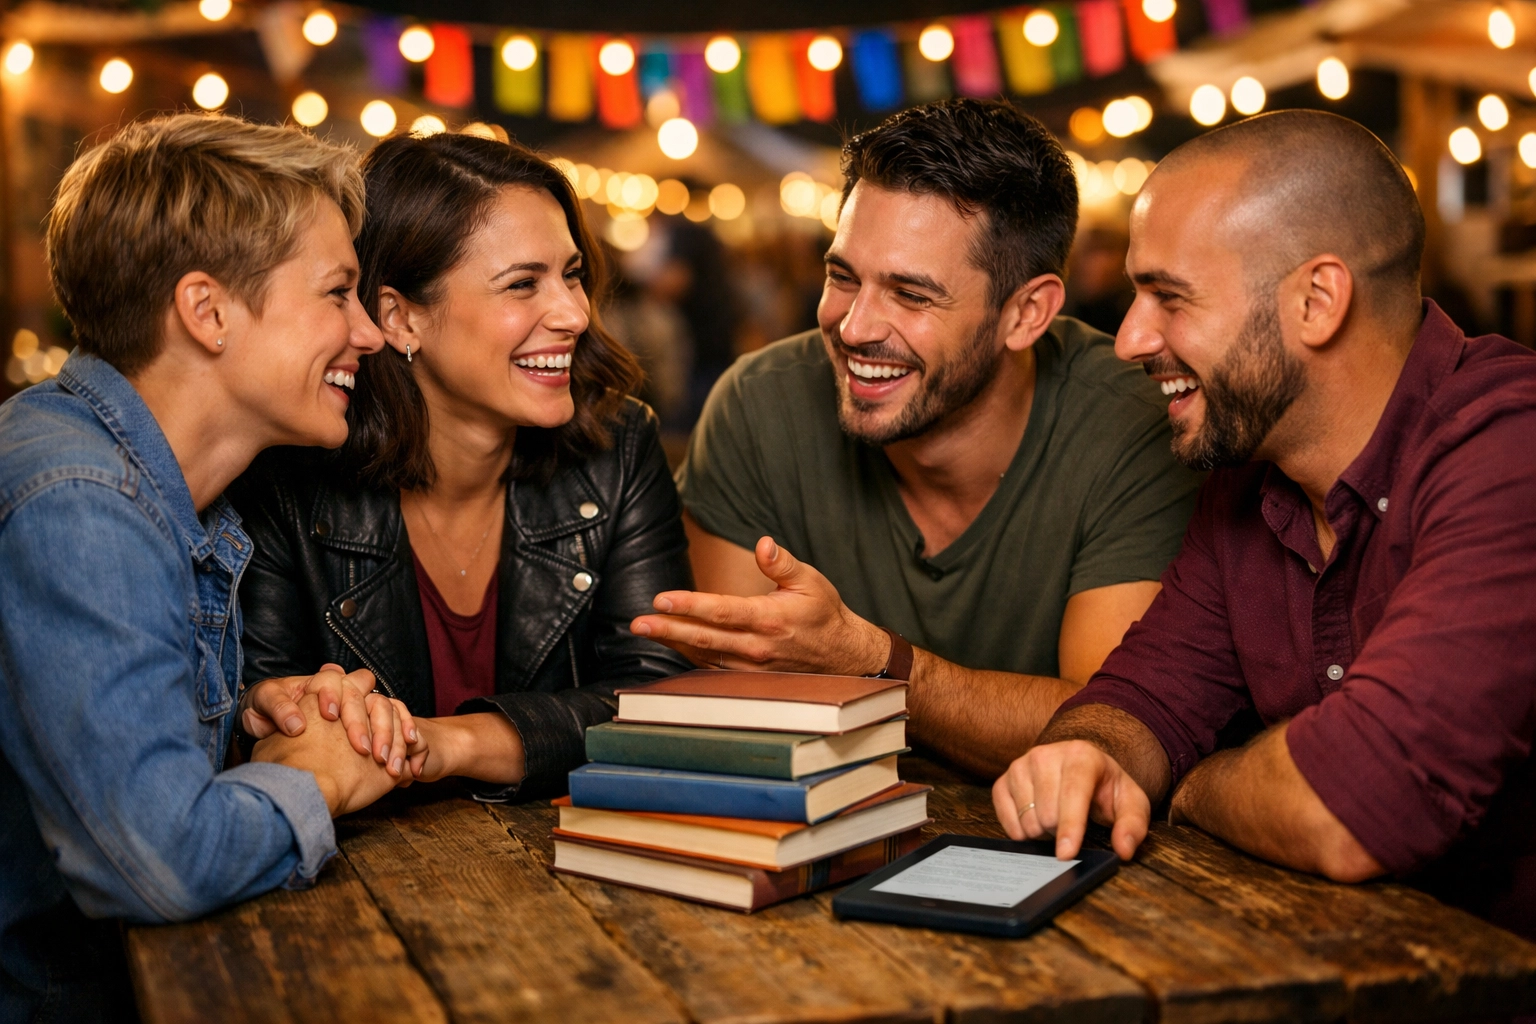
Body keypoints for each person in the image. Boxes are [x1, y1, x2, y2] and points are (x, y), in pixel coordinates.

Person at [993, 110, 1536, 940]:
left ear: (1316, 301)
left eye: (1169, 297)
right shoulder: (1249, 474)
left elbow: (1351, 809)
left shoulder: (1510, 447)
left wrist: (1192, 783)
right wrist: (1092, 756)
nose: (1130, 338)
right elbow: (1138, 703)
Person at [631, 99, 1203, 778]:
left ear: (1026, 313)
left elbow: (1111, 728)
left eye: (911, 294)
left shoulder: (1135, 420)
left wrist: (871, 661)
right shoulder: (761, 402)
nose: (854, 327)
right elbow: (740, 705)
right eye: (842, 277)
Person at [0, 113, 421, 1023]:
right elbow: (155, 860)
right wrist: (320, 780)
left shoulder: (148, 486)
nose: (370, 333)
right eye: (338, 293)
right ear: (208, 311)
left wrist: (242, 726)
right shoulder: (80, 503)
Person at [233, 132, 693, 798]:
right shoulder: (290, 478)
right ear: (398, 318)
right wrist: (281, 708)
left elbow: (663, 703)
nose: (574, 312)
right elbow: (264, 723)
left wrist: (446, 743)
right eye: (522, 285)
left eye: (570, 275)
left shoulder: (617, 451)